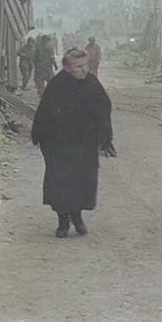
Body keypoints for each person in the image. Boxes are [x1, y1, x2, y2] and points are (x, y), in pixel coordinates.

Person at [30, 48, 115, 238]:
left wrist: (104, 136)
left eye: (85, 65)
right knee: (60, 181)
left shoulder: (92, 83)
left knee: (82, 181)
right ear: (67, 67)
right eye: (78, 67)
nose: (83, 70)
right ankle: (62, 221)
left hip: (84, 143)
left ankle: (77, 217)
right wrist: (40, 135)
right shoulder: (57, 85)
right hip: (59, 144)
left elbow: (104, 108)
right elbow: (44, 112)